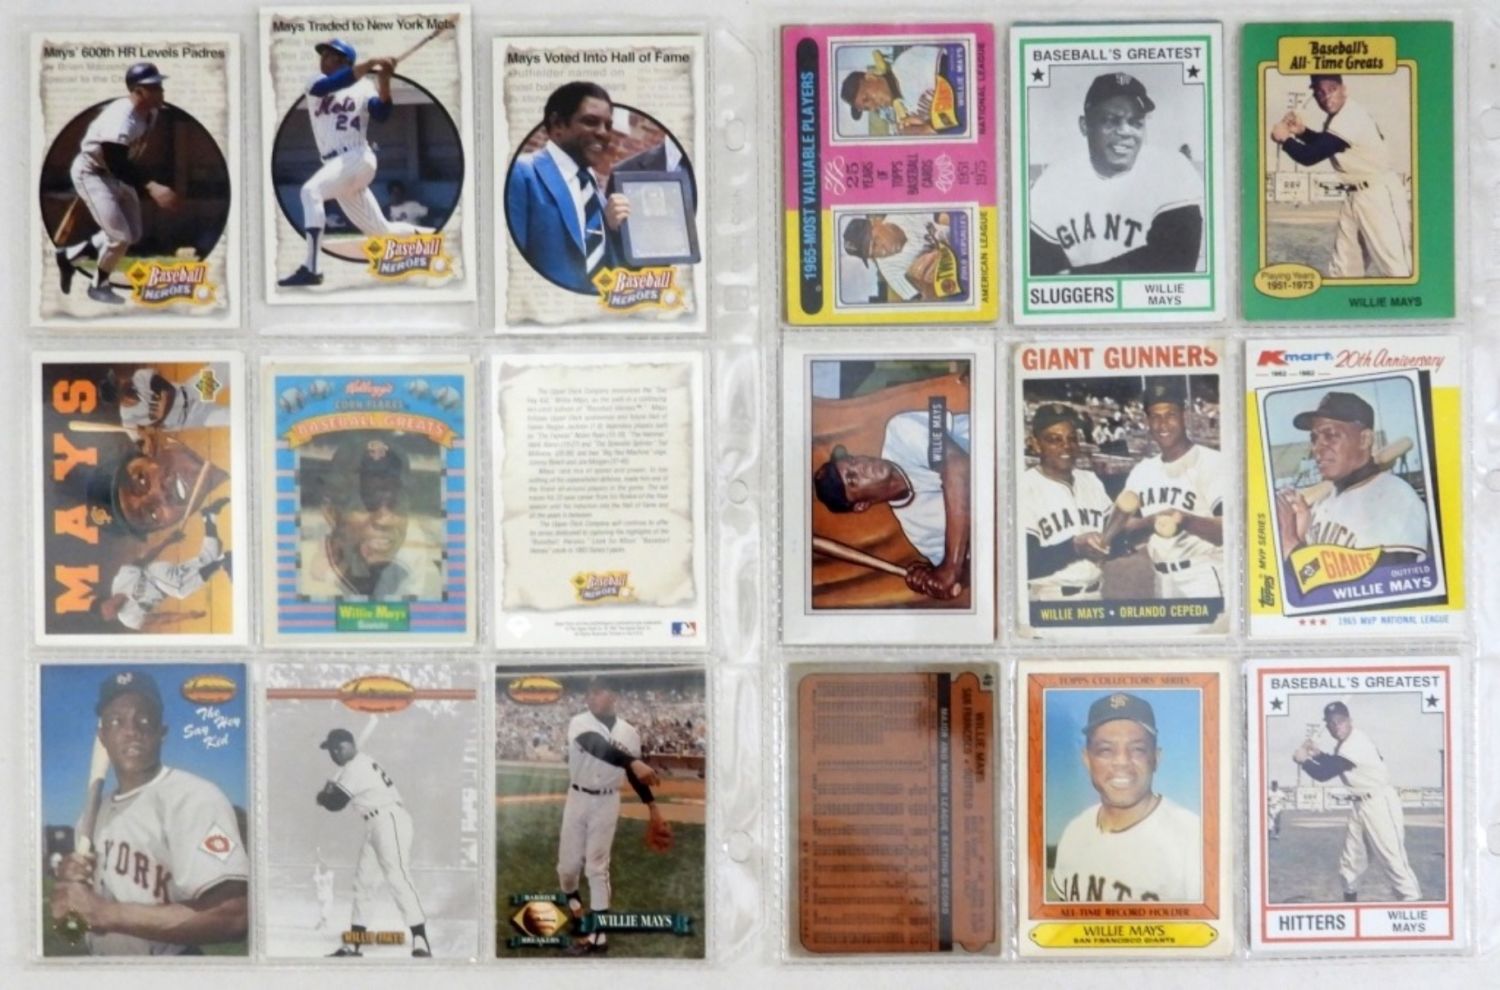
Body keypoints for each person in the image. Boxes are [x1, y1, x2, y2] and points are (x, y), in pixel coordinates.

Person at [49, 670, 249, 954]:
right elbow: (75, 929)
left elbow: (234, 916)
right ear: (102, 736)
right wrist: (69, 897)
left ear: (161, 732)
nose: (131, 731)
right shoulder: (89, 819)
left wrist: (106, 913)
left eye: (143, 720)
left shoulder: (193, 798)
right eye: (116, 721)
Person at [278, 39, 424, 288]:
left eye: (331, 55)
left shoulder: (364, 86)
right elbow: (334, 84)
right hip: (338, 167)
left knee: (310, 191)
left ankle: (311, 269)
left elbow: (382, 113)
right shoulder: (315, 82)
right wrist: (371, 64)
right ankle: (426, 238)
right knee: (382, 232)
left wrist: (384, 81)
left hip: (357, 157)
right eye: (323, 54)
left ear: (345, 61)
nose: (324, 58)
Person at [1029, 72, 1204, 275]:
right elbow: (1040, 270)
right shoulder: (1053, 182)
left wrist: (1076, 277)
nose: (1125, 131)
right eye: (1111, 121)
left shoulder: (1171, 169)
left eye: (1136, 122)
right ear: (1084, 126)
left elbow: (1175, 263)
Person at [1050, 691, 1202, 903]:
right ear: (1087, 759)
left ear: (1156, 758)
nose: (1122, 762)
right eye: (1105, 750)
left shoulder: (1194, 839)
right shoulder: (1074, 832)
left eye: (1137, 750)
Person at [812, 405, 971, 600]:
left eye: (852, 461)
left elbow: (958, 466)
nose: (861, 466)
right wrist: (931, 578)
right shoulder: (918, 531)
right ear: (861, 505)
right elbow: (966, 570)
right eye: (853, 479)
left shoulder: (899, 433)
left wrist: (951, 565)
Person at [54, 62, 181, 305]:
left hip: (116, 173)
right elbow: (116, 162)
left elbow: (124, 162)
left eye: (159, 85)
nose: (161, 90)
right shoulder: (121, 119)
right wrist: (152, 187)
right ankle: (98, 286)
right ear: (138, 91)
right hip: (93, 173)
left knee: (132, 234)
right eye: (154, 87)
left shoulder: (151, 112)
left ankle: (68, 257)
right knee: (120, 238)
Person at [557, 679, 665, 956]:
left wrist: (652, 807)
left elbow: (635, 775)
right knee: (567, 869)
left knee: (597, 868)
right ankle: (576, 909)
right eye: (589, 692)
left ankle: (598, 936)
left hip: (607, 801)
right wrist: (633, 761)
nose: (591, 697)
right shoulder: (579, 722)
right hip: (577, 798)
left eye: (598, 692)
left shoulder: (629, 732)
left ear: (613, 695)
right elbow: (596, 746)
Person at [1269, 74, 1412, 277]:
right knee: (1344, 271)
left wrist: (1285, 139)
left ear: (1344, 89)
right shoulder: (1340, 117)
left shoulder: (1350, 116)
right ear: (1315, 96)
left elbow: (1310, 156)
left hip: (1379, 196)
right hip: (1355, 196)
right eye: (1320, 92)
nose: (1326, 96)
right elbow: (1328, 143)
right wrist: (1302, 132)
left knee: (1397, 269)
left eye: (1332, 89)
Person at [1100, 379, 1225, 600]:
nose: (1163, 424)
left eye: (1170, 415)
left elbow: (1228, 530)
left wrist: (1185, 520)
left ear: (1184, 416)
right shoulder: (1142, 471)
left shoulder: (1212, 462)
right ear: (1147, 421)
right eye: (1155, 417)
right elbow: (1125, 531)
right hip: (1160, 579)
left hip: (1203, 575)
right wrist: (1149, 523)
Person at [506, 81, 634, 294]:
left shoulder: (595, 190)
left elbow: (601, 259)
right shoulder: (521, 174)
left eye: (608, 125)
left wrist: (611, 229)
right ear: (557, 124)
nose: (603, 133)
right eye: (591, 122)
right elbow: (511, 264)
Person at [1274, 391, 1428, 564]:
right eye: (1314, 438)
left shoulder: (1395, 497)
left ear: (1365, 439)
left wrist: (1290, 542)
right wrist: (1300, 535)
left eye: (1331, 435)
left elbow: (1385, 577)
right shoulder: (1318, 505)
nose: (1316, 448)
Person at [315, 728, 431, 957]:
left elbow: (336, 804)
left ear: (346, 746)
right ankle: (354, 943)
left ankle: (421, 939)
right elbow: (337, 799)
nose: (333, 754)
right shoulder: (356, 765)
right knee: (363, 884)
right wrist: (329, 794)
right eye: (331, 750)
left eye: (336, 749)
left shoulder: (356, 767)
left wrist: (323, 797)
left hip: (389, 818)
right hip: (374, 823)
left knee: (397, 876)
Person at [1293, 701, 1421, 901]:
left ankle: (1414, 903)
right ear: (1327, 726)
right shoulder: (1346, 743)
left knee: (1393, 860)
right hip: (1360, 806)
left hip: (1379, 804)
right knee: (1350, 864)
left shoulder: (1356, 742)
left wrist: (1304, 761)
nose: (1337, 726)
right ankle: (1350, 910)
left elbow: (1324, 773)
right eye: (1332, 723)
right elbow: (1338, 764)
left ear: (1349, 721)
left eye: (1340, 721)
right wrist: (1319, 755)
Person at [298, 436, 442, 600]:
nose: (384, 520)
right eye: (367, 502)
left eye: (395, 502)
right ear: (332, 513)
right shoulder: (302, 578)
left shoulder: (413, 555)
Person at [1021, 404, 1112, 600]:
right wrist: (1075, 547)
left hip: (1095, 595)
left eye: (1072, 439)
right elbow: (1026, 561)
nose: (1066, 446)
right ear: (1035, 444)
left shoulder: (1091, 481)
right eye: (1054, 439)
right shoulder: (1024, 487)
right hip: (1049, 597)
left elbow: (1114, 535)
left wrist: (1148, 522)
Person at [98, 497, 231, 631]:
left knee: (180, 590)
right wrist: (186, 616)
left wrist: (167, 541)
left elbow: (145, 559)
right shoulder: (129, 619)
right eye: (108, 617)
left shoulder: (120, 580)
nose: (110, 614)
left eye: (105, 612)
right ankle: (209, 517)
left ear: (105, 602)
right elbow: (161, 619)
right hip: (166, 587)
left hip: (155, 574)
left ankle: (222, 561)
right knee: (208, 559)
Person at [842, 213, 952, 303]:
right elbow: (923, 304)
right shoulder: (891, 272)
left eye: (875, 242)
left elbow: (944, 215)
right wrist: (927, 287)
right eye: (873, 254)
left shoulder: (902, 213)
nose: (881, 251)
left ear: (876, 222)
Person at [839, 45, 946, 134]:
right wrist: (923, 129)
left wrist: (929, 128)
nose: (873, 107)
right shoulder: (903, 114)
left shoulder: (907, 64)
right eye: (867, 108)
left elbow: (952, 71)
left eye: (866, 98)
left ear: (871, 78)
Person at [100, 366, 230, 436]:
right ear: (118, 396)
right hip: (194, 418)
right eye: (117, 382)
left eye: (117, 379)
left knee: (226, 368)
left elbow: (169, 390)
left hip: (194, 391)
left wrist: (160, 418)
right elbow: (139, 442)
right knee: (232, 418)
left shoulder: (139, 377)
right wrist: (146, 442)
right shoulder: (128, 417)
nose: (121, 379)